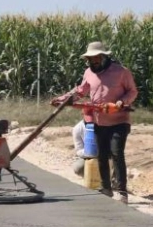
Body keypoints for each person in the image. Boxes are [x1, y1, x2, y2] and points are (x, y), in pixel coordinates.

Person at [52, 41, 138, 204]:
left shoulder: (121, 72)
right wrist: (63, 99)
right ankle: (106, 188)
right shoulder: (88, 73)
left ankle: (121, 191)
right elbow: (80, 91)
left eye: (97, 58)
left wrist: (120, 103)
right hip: (99, 120)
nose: (93, 62)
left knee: (117, 153)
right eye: (90, 59)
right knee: (102, 155)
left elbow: (132, 91)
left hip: (119, 120)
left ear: (105, 57)